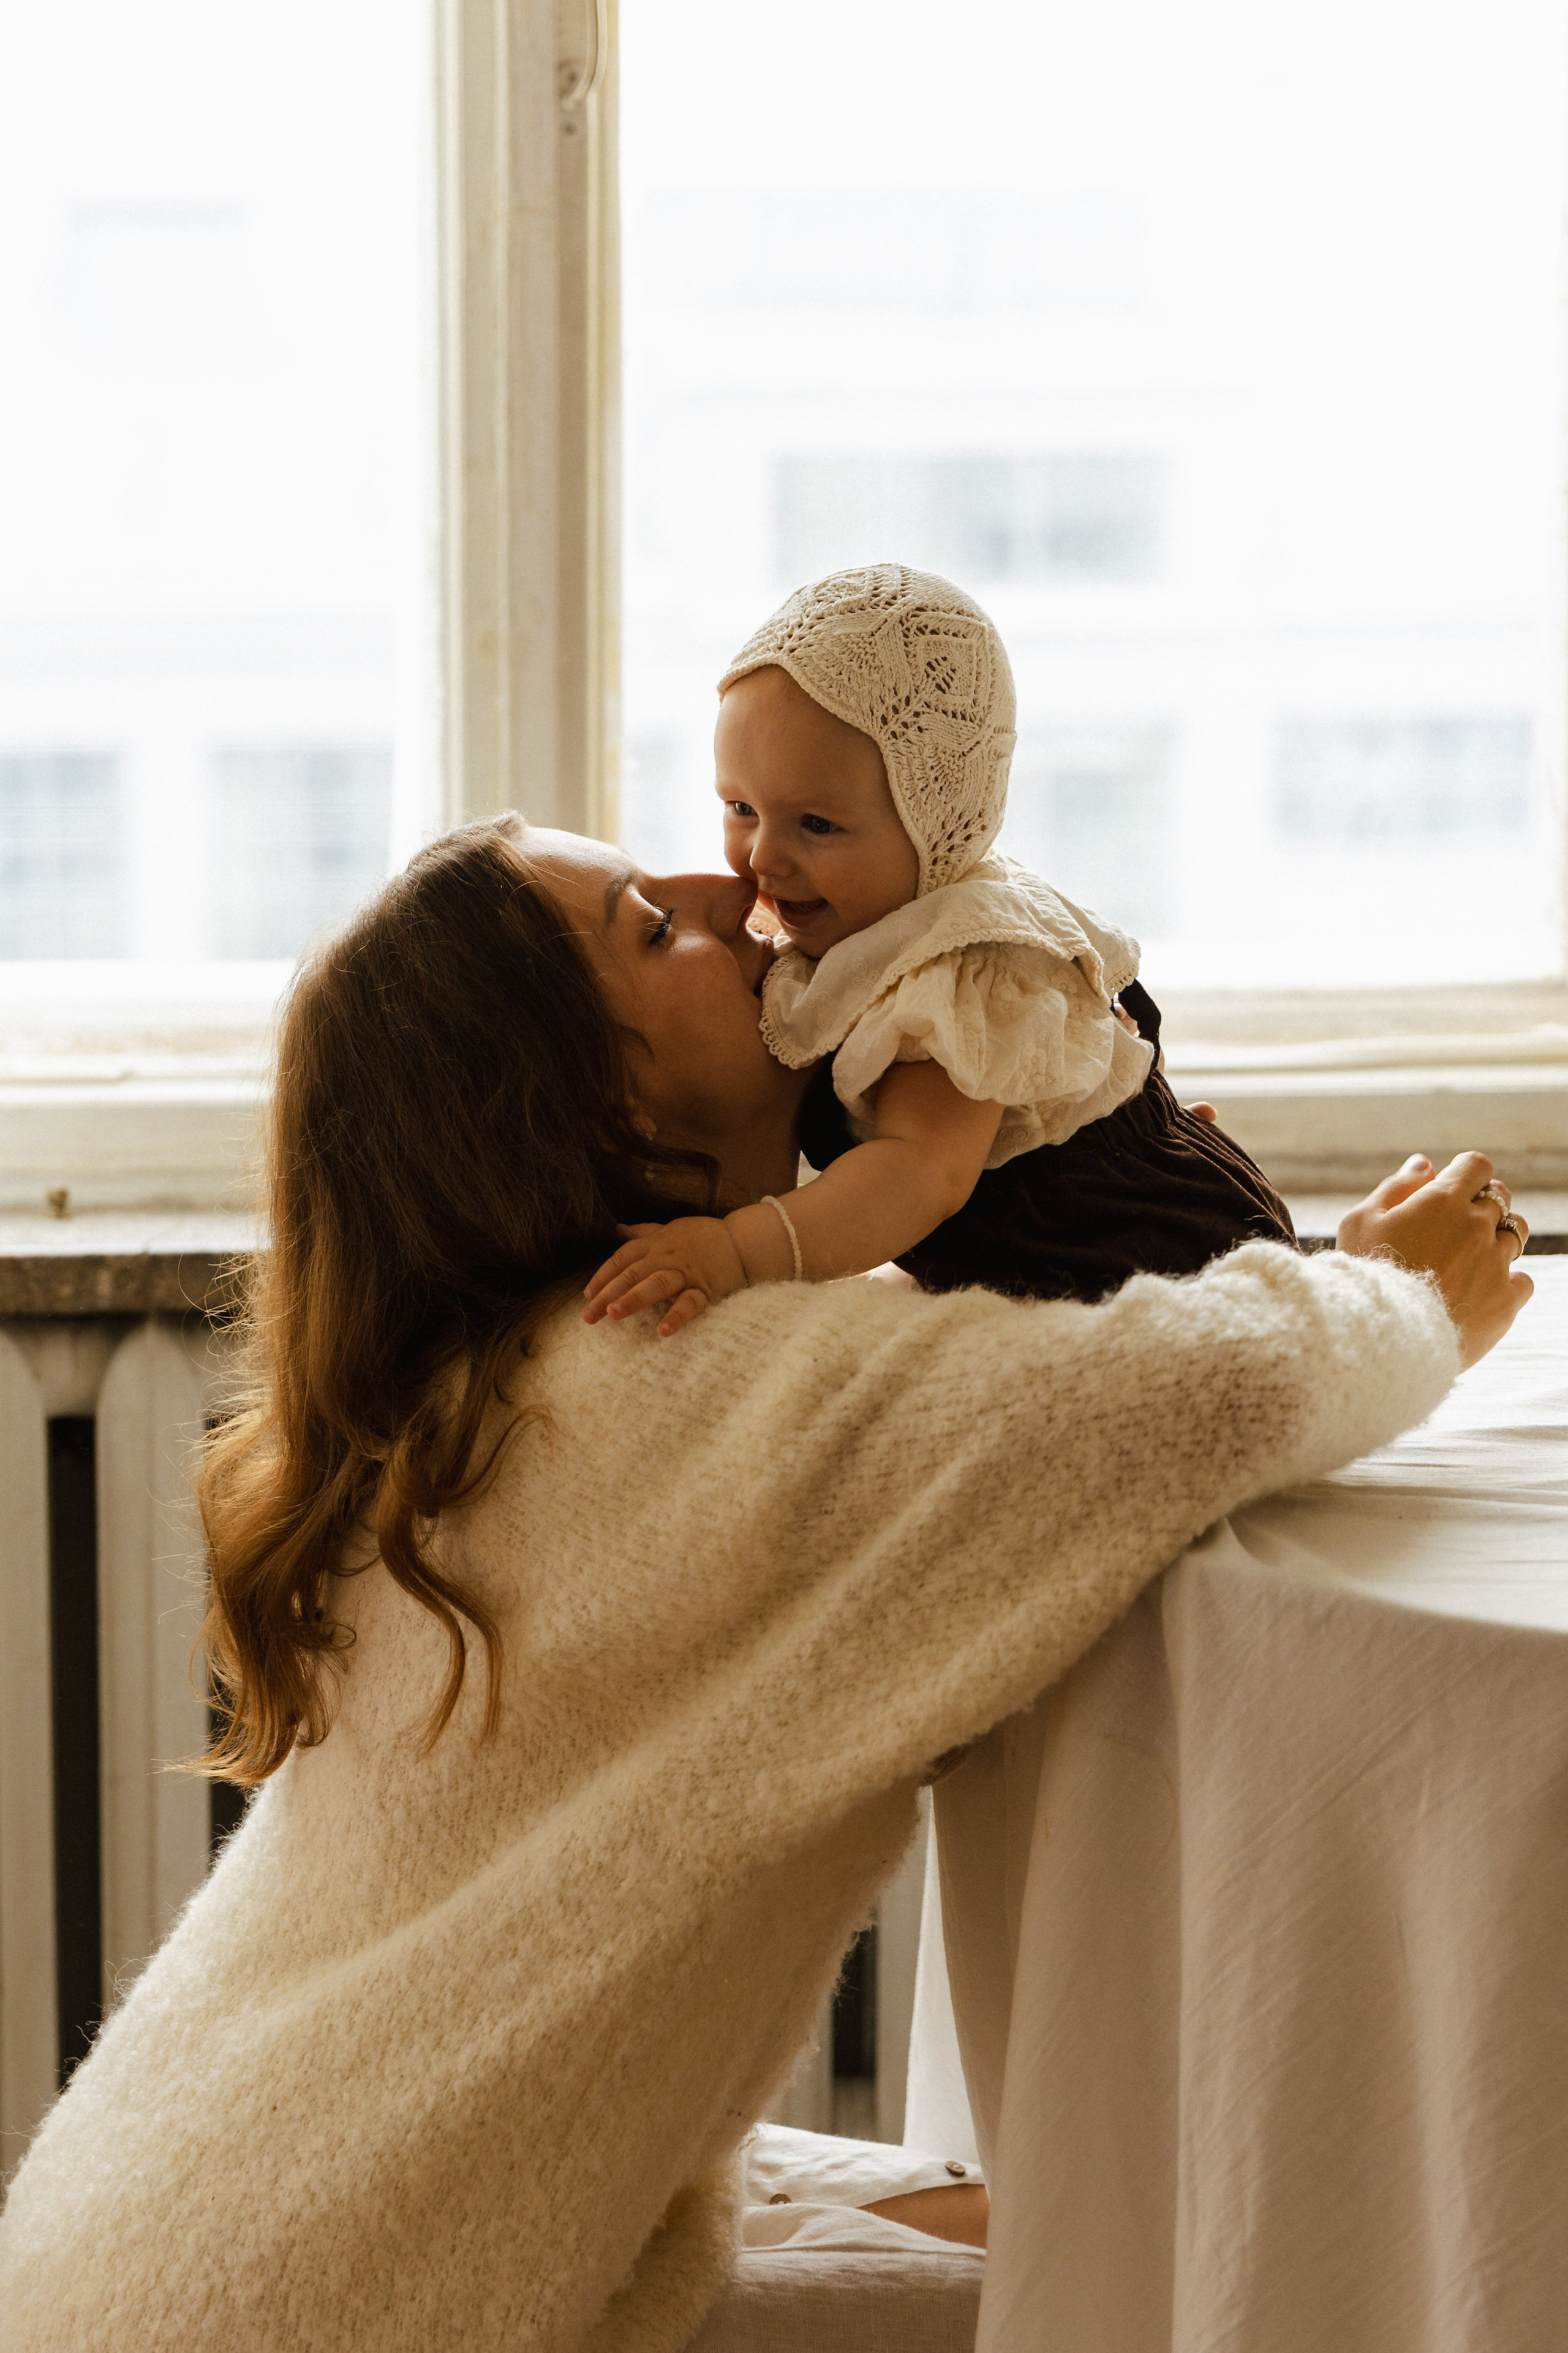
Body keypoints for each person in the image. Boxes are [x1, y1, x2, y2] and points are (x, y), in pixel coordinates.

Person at [0, 818, 1529, 2353]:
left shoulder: (476, 1394)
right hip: (336, 2306)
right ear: (597, 1106)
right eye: (646, 926)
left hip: (150, 2235)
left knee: (1063, 2214)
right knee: (1206, 2295)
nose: (728, 889)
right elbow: (1196, 1401)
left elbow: (940, 1375)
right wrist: (1393, 1289)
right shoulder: (680, 1400)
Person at [586, 564, 1294, 1339]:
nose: (762, 857)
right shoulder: (854, 929)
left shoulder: (950, 969)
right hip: (1041, 1253)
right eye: (741, 807)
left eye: (816, 824)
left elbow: (920, 1174)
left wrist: (736, 1251)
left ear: (932, 825)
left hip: (1140, 1246)